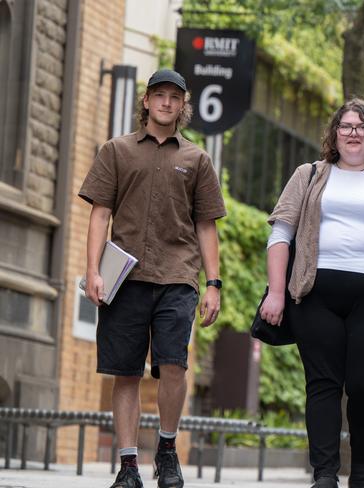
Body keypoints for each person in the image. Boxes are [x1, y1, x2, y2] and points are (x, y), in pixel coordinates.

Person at [260, 98, 364, 488]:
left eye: (361, 127)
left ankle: (362, 462)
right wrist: (276, 292)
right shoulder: (310, 175)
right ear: (335, 133)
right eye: (346, 126)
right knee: (323, 384)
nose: (353, 133)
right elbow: (280, 234)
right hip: (314, 295)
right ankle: (324, 474)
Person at [79, 69, 226, 488]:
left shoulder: (197, 159)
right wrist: (93, 271)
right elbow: (100, 214)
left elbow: (206, 225)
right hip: (123, 277)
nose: (165, 102)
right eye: (158, 95)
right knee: (126, 372)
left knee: (173, 365)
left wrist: (212, 283)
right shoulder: (117, 151)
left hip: (178, 276)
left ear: (183, 105)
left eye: (173, 97)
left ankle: (166, 448)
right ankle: (128, 466)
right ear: (146, 101)